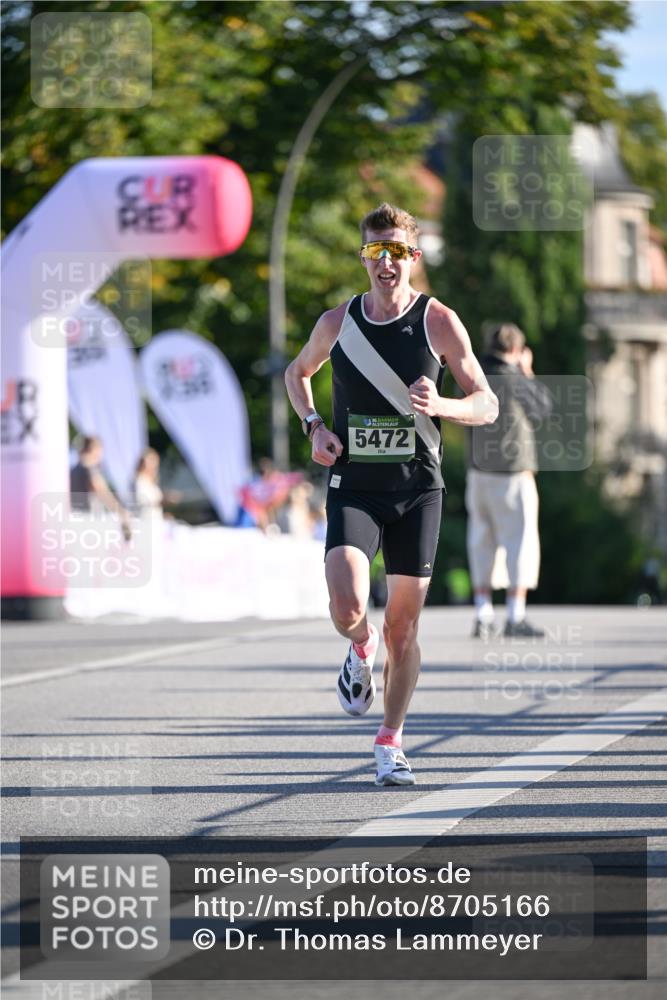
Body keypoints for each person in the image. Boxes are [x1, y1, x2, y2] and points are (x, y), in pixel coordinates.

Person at [285, 202, 498, 786]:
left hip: (417, 490)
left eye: (397, 252)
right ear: (364, 257)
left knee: (404, 628)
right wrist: (313, 427)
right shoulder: (338, 321)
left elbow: (488, 401)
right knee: (350, 607)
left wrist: (444, 405)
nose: (387, 263)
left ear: (414, 257)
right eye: (377, 252)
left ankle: (390, 740)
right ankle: (359, 649)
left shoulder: (439, 322)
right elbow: (296, 373)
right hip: (354, 484)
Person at [465, 323, 552, 639]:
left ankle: (483, 613)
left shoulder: (476, 376)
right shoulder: (515, 378)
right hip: (514, 474)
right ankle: (515, 616)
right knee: (520, 544)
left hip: (478, 473)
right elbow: (544, 409)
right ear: (516, 349)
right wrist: (526, 370)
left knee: (481, 542)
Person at [70, 435, 132, 539]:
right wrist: (120, 511)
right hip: (90, 520)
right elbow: (100, 491)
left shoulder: (73, 470)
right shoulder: (90, 468)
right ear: (94, 449)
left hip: (76, 518)